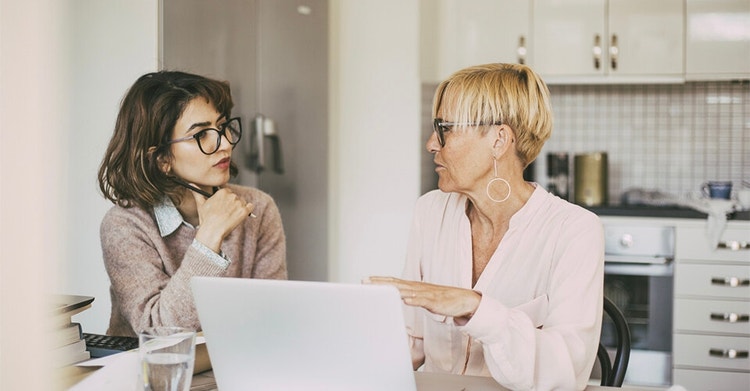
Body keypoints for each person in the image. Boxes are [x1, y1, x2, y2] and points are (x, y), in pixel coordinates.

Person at [367, 63, 604, 390]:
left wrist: (478, 310)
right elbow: (411, 344)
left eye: (444, 128)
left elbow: (566, 372)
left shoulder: (574, 231)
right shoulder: (430, 212)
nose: (431, 144)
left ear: (499, 140)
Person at [98, 71, 287, 337]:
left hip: (232, 370)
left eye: (222, 127)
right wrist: (209, 238)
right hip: (147, 375)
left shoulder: (258, 207)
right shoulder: (124, 225)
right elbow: (159, 334)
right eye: (200, 135)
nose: (225, 143)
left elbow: (272, 319)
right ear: (161, 159)